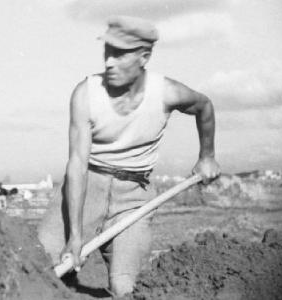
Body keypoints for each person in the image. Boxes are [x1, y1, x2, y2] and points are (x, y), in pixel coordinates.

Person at [37, 15, 220, 296]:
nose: (109, 62)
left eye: (120, 54)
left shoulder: (167, 92)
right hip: (86, 189)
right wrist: (75, 236)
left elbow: (204, 107)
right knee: (40, 269)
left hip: (134, 199)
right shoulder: (86, 94)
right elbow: (77, 165)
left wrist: (207, 155)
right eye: (107, 52)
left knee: (125, 287)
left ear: (144, 57)